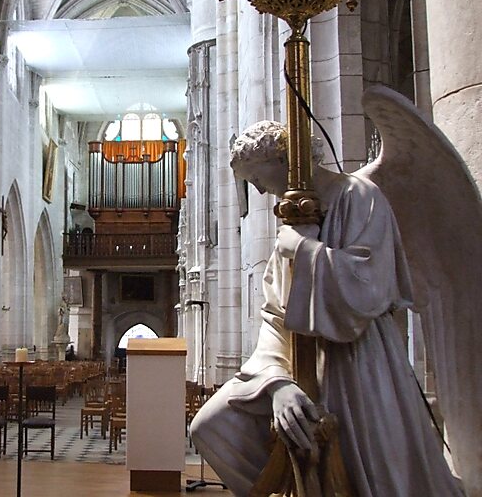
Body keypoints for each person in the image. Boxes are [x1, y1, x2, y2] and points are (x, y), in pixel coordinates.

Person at [190, 121, 463, 497]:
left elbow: (369, 287)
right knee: (211, 426)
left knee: (372, 471)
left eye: (256, 176)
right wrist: (276, 382)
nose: (257, 189)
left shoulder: (359, 196)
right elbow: (275, 313)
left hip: (356, 359)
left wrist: (304, 249)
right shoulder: (291, 220)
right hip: (292, 360)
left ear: (286, 159)